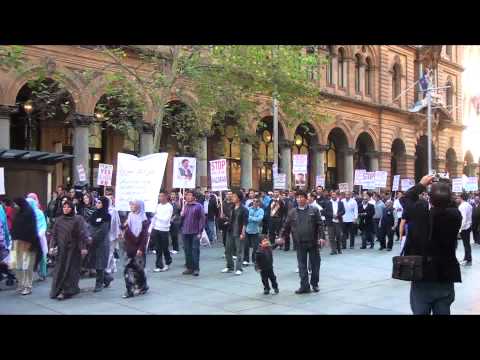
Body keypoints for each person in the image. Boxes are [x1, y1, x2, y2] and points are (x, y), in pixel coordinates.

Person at [402, 175, 462, 315]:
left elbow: (406, 199)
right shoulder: (455, 216)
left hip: (423, 275)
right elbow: (450, 203)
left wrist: (421, 184)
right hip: (445, 274)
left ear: (429, 198)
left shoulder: (419, 215)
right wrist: (445, 187)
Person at [280, 190, 325, 294]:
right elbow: (286, 226)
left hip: (313, 242)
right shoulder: (292, 212)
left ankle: (315, 284)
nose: (299, 199)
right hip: (299, 243)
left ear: (306, 198)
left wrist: (321, 237)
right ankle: (304, 286)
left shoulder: (314, 210)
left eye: (301, 197)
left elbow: (320, 224)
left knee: (315, 265)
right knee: (302, 265)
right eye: (298, 197)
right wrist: (281, 236)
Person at [49, 200, 89, 300]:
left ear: (72, 208)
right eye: (64, 207)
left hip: (74, 249)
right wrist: (52, 246)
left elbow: (82, 234)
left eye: (68, 207)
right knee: (60, 269)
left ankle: (67, 291)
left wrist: (83, 247)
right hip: (62, 250)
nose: (66, 209)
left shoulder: (77, 219)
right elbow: (54, 234)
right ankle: (59, 289)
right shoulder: (59, 220)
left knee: (71, 270)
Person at [11, 197, 41, 295]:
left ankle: (28, 286)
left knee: (27, 265)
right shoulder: (19, 213)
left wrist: (31, 244)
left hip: (28, 243)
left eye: (16, 204)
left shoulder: (29, 213)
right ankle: (21, 284)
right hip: (17, 242)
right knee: (15, 264)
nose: (14, 206)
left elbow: (31, 230)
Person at [122, 200, 149, 298]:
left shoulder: (144, 219)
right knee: (127, 270)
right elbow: (125, 228)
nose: (131, 206)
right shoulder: (130, 216)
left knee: (139, 270)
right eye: (131, 204)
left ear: (138, 206)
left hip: (138, 249)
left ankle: (143, 286)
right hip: (129, 248)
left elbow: (144, 236)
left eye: (133, 204)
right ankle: (129, 290)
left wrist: (141, 249)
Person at [88, 196, 113, 292]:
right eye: (97, 203)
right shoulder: (94, 214)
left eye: (99, 203)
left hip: (101, 242)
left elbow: (103, 230)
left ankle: (99, 284)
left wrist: (93, 238)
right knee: (93, 262)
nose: (97, 204)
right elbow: (90, 225)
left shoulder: (107, 216)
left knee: (99, 263)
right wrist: (88, 236)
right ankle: (107, 278)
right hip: (92, 241)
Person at [222, 191, 248, 275]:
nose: (232, 198)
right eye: (232, 196)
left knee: (239, 251)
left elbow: (245, 222)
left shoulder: (244, 209)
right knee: (227, 250)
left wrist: (243, 233)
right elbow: (231, 218)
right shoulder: (232, 207)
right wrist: (225, 219)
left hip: (239, 232)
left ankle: (239, 268)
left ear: (239, 198)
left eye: (234, 196)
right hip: (230, 231)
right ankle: (230, 266)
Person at [180, 190, 205, 276]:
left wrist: (200, 231)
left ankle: (196, 268)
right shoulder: (185, 206)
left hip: (195, 232)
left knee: (195, 250)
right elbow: (182, 219)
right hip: (185, 231)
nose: (187, 197)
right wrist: (182, 215)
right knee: (187, 250)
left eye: (190, 195)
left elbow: (202, 219)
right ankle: (189, 267)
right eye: (187, 195)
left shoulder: (199, 206)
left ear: (194, 197)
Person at [149, 191, 173, 272]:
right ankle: (159, 265)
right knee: (158, 248)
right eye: (159, 196)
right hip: (156, 229)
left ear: (166, 197)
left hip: (164, 230)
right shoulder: (158, 206)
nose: (160, 198)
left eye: (162, 196)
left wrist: (156, 216)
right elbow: (154, 219)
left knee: (165, 248)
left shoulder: (169, 207)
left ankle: (168, 262)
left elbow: (165, 219)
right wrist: (150, 228)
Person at [26, 198, 48, 281]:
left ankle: (43, 273)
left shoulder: (39, 213)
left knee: (42, 257)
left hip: (40, 238)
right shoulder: (26, 214)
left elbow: (43, 225)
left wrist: (38, 235)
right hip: (30, 239)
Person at [244, 198, 264, 266]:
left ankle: (254, 260)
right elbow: (245, 218)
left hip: (255, 231)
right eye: (254, 201)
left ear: (259, 203)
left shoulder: (261, 210)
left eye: (256, 201)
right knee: (246, 246)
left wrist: (250, 218)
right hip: (247, 230)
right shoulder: (248, 209)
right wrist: (254, 218)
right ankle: (246, 260)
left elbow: (259, 219)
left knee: (255, 247)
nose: (255, 202)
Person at [105, 195, 121, 275]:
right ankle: (113, 266)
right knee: (108, 251)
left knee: (110, 252)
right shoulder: (103, 211)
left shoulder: (114, 211)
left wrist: (118, 233)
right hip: (105, 234)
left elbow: (117, 223)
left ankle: (107, 269)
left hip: (112, 234)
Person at [457, 193, 473, 266]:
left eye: (458, 197)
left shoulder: (462, 206)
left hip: (464, 227)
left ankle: (467, 258)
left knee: (465, 244)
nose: (457, 199)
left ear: (461, 198)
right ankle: (467, 257)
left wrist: (460, 229)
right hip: (468, 226)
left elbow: (463, 218)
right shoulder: (469, 205)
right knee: (467, 244)